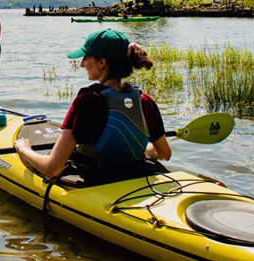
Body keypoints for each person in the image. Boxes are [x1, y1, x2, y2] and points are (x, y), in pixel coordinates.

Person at [14, 29, 171, 181]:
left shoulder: (87, 100)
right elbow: (164, 153)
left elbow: (52, 167)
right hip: (135, 176)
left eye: (86, 57)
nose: (82, 64)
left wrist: (24, 148)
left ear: (102, 62)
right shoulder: (144, 100)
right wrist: (135, 147)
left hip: (98, 181)